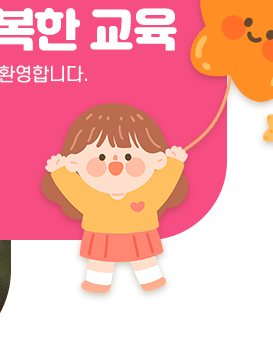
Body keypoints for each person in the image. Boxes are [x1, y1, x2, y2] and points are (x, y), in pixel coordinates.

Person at [43, 103, 188, 302]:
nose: (115, 166)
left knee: (144, 261)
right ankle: (98, 285)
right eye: (101, 157)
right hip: (105, 235)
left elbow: (163, 186)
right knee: (100, 264)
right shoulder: (93, 200)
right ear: (75, 162)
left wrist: (173, 164)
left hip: (136, 232)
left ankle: (151, 282)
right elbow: (75, 191)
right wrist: (60, 173)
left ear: (156, 160)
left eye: (129, 156)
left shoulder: (146, 195)